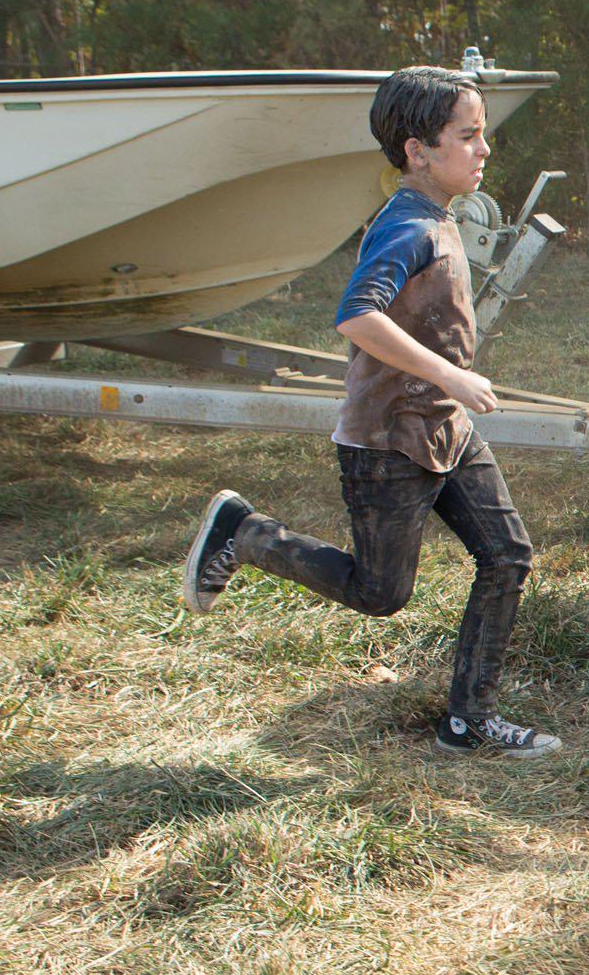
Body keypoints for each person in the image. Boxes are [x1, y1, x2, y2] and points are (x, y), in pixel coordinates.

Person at [176, 66, 560, 758]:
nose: (484, 150)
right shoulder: (408, 226)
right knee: (380, 593)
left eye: (483, 135)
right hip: (388, 442)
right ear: (418, 151)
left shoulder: (437, 216)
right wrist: (451, 373)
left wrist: (449, 388)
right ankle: (246, 532)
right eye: (467, 136)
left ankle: (467, 722)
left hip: (444, 427)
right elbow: (356, 315)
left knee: (506, 556)